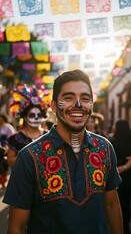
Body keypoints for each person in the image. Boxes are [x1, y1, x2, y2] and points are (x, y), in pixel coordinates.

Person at [3, 69, 123, 234]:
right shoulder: (30, 156)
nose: (78, 105)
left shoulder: (105, 148)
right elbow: (17, 226)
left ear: (91, 105)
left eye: (85, 99)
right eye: (68, 98)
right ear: (53, 106)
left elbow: (111, 205)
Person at [7, 84, 49, 168]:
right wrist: (29, 159)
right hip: (22, 179)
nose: (36, 118)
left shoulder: (49, 136)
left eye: (39, 115)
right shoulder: (16, 138)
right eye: (32, 115)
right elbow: (9, 161)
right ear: (25, 118)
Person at [110, 119, 131, 234]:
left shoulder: (112, 142)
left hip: (117, 176)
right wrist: (127, 166)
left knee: (118, 203)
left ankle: (121, 227)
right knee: (127, 203)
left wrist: (120, 168)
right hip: (129, 176)